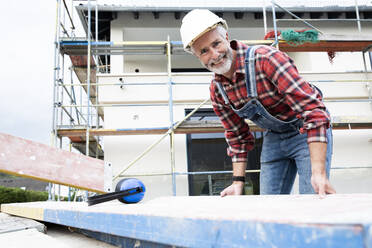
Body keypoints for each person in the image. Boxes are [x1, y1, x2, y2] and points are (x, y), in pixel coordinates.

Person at [179, 9, 336, 198]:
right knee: (269, 204)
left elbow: (313, 111)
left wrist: (318, 173)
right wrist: (238, 182)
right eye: (204, 51)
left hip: (305, 131)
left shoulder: (266, 60)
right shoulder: (217, 90)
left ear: (226, 37)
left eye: (216, 43)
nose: (214, 54)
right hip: (275, 137)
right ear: (197, 56)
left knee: (313, 195)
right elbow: (237, 136)